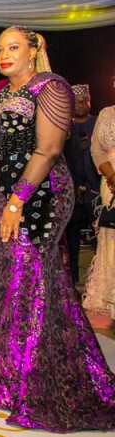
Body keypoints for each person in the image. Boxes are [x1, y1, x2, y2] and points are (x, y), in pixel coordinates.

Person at [0, 26, 115, 431]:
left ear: (33, 50)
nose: (4, 54)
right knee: (10, 281)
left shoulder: (50, 87)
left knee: (35, 282)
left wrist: (15, 202)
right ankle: (10, 370)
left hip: (38, 198)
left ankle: (39, 376)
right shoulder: (2, 91)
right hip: (3, 199)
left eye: (14, 47)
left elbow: (48, 150)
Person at [83, 102, 115, 330]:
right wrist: (112, 176)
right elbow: (96, 149)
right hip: (111, 181)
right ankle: (109, 299)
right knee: (112, 239)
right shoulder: (107, 113)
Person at [64, 84, 98, 286]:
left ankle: (97, 283)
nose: (82, 104)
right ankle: (73, 282)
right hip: (72, 191)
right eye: (77, 101)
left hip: (95, 190)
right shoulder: (65, 128)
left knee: (98, 238)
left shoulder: (97, 122)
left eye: (85, 100)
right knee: (72, 240)